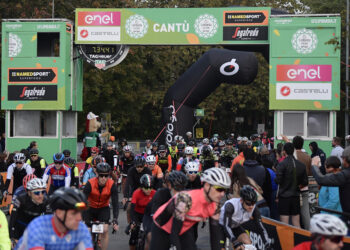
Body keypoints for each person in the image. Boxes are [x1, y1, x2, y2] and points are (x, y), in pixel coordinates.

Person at [150, 167, 231, 250]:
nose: (222, 194)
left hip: (184, 229)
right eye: (219, 189)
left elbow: (215, 235)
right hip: (162, 227)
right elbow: (174, 231)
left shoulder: (215, 206)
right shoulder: (186, 199)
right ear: (207, 185)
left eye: (225, 190)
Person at [15, 187, 93, 250]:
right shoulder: (38, 227)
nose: (79, 218)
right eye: (74, 213)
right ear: (59, 213)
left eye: (80, 212)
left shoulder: (81, 229)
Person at [219, 185, 270, 249]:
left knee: (247, 244)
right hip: (221, 226)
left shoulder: (254, 209)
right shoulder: (231, 206)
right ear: (241, 200)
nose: (251, 206)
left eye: (253, 203)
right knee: (221, 248)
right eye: (248, 203)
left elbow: (261, 228)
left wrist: (267, 244)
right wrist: (235, 241)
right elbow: (226, 226)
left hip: (235, 226)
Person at [312, 146, 350, 229]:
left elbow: (334, 199)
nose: (325, 168)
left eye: (327, 166)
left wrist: (314, 165)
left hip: (333, 216)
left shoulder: (343, 176)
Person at [83, 162, 119, 250]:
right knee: (87, 231)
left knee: (105, 230)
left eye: (106, 176)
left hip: (103, 208)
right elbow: (82, 201)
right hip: (90, 208)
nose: (103, 178)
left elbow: (115, 203)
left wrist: (115, 219)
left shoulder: (111, 185)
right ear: (97, 174)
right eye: (101, 175)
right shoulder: (90, 183)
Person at [275, 142, 308, 228]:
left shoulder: (281, 164)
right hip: (296, 196)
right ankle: (299, 240)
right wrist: (297, 185)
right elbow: (305, 182)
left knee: (284, 224)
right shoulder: (301, 165)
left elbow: (278, 180)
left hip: (284, 196)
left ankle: (286, 241)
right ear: (293, 151)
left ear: (284, 152)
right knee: (296, 223)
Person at [128, 174, 156, 250]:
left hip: (149, 215)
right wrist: (133, 221)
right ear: (141, 187)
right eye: (146, 188)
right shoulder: (136, 193)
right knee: (133, 238)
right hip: (137, 214)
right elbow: (132, 209)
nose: (148, 190)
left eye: (150, 187)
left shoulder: (155, 193)